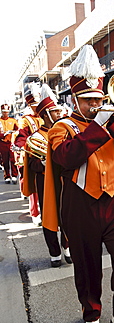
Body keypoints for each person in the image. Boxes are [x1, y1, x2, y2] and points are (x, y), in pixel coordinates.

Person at [42, 45, 114, 323]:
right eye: (87, 100)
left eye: (98, 99)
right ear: (74, 100)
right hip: (81, 205)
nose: (94, 105)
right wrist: (97, 126)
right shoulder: (61, 126)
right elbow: (67, 158)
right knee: (87, 268)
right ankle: (92, 311)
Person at [23, 84, 72, 267]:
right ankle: (54, 253)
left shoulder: (65, 131)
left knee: (68, 214)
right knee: (49, 216)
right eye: (55, 111)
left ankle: (66, 247)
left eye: (59, 111)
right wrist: (44, 163)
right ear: (45, 115)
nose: (59, 114)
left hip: (65, 180)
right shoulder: (35, 138)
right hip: (46, 181)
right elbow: (32, 164)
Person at [14, 83, 44, 226]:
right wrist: (20, 145)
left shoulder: (45, 116)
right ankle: (34, 213)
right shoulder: (25, 119)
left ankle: (46, 211)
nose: (37, 107)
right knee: (33, 186)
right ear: (30, 105)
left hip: (46, 155)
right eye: (35, 105)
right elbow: (21, 136)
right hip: (33, 155)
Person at [0, 104, 18, 184]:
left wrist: (13, 133)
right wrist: (3, 134)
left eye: (7, 112)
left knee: (13, 159)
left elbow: (18, 130)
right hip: (2, 142)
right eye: (4, 112)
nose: (5, 114)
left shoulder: (13, 120)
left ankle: (14, 175)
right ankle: (7, 176)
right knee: (5, 160)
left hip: (11, 142)